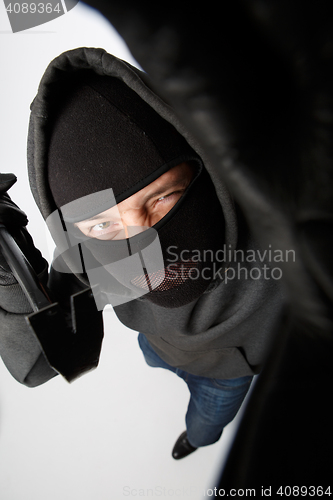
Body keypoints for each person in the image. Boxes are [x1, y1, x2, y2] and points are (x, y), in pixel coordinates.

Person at [0, 47, 285, 459]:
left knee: (205, 424)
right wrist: (10, 266)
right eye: (104, 224)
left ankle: (198, 440)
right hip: (157, 346)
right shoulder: (94, 256)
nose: (146, 246)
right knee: (156, 358)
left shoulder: (282, 237)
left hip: (227, 375)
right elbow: (40, 361)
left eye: (163, 198)